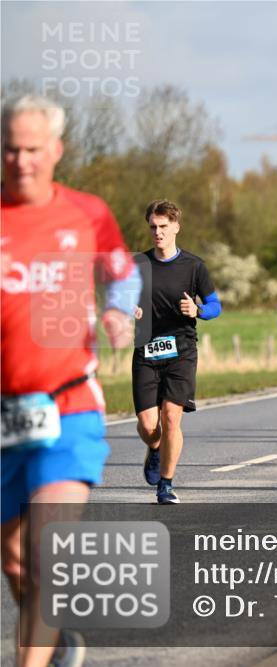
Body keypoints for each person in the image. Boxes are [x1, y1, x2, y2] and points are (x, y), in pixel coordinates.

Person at [2, 94, 139, 667]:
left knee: (46, 550)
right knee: (14, 558)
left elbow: (123, 272)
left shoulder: (87, 213)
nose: (20, 160)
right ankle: (54, 642)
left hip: (67, 405)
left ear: (55, 150)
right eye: (10, 148)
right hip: (6, 418)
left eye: (32, 149)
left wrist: (116, 311)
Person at [132, 199, 222, 505]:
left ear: (176, 228)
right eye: (153, 227)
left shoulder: (194, 267)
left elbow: (215, 306)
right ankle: (154, 448)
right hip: (146, 351)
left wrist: (196, 309)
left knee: (171, 418)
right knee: (148, 426)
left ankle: (166, 485)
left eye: (163, 227)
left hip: (181, 351)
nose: (157, 233)